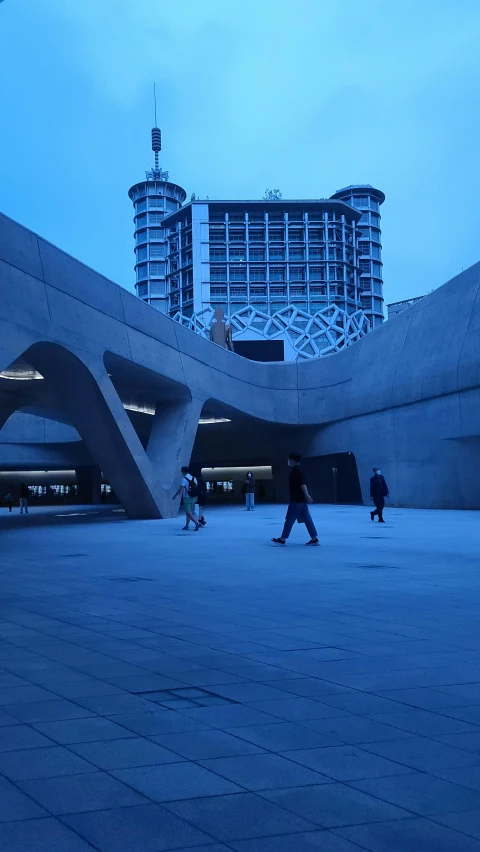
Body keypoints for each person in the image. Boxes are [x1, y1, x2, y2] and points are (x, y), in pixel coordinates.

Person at [272, 453, 319, 546]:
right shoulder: (298, 471)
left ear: (293, 460)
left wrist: (307, 495)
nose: (288, 461)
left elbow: (303, 485)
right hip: (301, 500)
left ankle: (283, 538)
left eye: (289, 459)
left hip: (296, 500)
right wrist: (306, 496)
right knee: (307, 519)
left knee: (289, 519)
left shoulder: (296, 472)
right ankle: (314, 538)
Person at [173, 466, 200, 531]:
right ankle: (187, 525)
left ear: (183, 472)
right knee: (190, 512)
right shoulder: (194, 478)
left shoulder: (184, 479)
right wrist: (196, 497)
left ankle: (196, 523)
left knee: (188, 512)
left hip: (187, 497)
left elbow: (181, 489)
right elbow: (196, 489)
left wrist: (175, 496)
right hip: (193, 497)